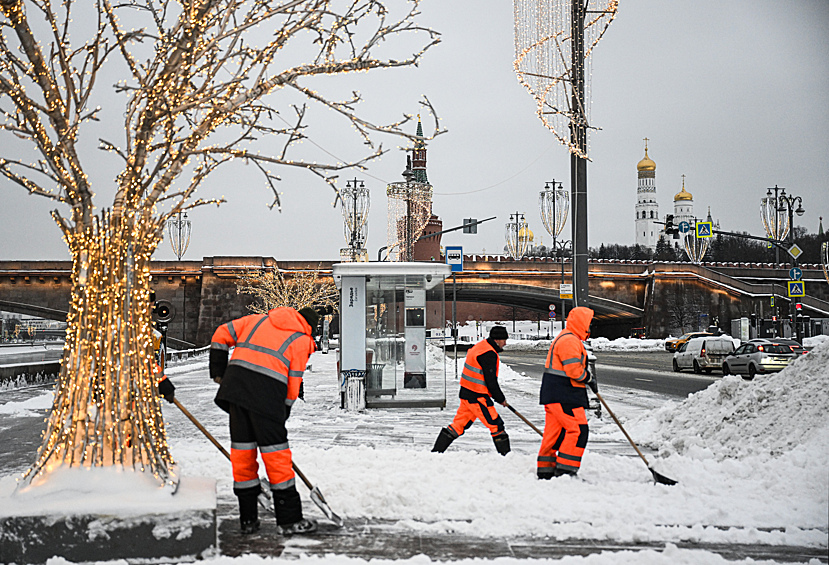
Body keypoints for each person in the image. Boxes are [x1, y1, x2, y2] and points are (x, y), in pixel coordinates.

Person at [210, 306, 319, 535]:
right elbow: (293, 383)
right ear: (310, 327)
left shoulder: (257, 320)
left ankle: (248, 519)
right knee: (277, 457)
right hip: (267, 398)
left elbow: (221, 333)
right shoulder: (302, 340)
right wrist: (284, 411)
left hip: (236, 392)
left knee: (243, 455)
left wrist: (219, 371)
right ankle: (289, 521)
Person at [537, 306, 597, 479]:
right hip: (565, 395)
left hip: (556, 394)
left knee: (554, 434)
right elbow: (573, 371)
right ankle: (565, 471)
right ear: (582, 323)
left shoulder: (566, 338)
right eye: (589, 323)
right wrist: (588, 378)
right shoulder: (569, 340)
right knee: (578, 430)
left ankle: (546, 470)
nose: (590, 327)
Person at [432, 325, 511, 455]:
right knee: (496, 425)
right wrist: (500, 398)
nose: (505, 343)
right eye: (504, 340)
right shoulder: (488, 353)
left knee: (458, 426)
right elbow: (491, 381)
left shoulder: (481, 347)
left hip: (467, 393)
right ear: (497, 340)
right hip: (477, 396)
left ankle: (436, 453)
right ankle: (507, 456)